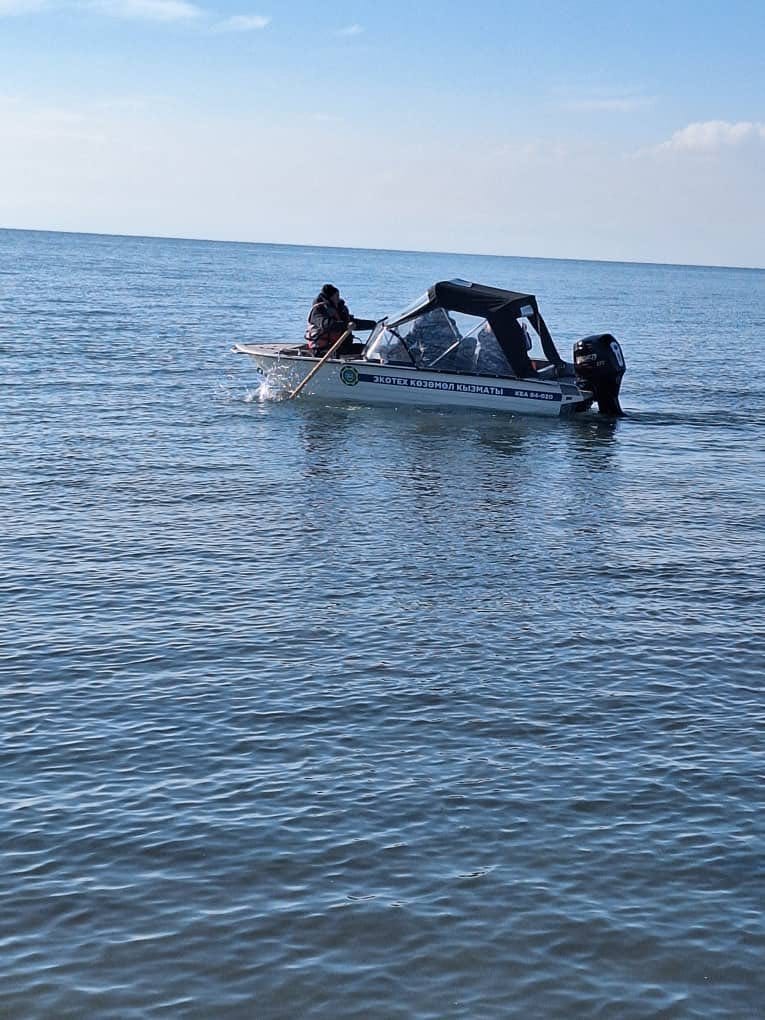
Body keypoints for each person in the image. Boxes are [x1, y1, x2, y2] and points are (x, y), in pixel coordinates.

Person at [305, 284, 362, 357]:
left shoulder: (339, 309)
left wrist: (372, 325)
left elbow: (350, 322)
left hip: (340, 346)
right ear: (330, 297)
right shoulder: (318, 310)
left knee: (365, 349)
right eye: (337, 296)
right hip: (322, 349)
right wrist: (346, 325)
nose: (338, 299)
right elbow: (326, 324)